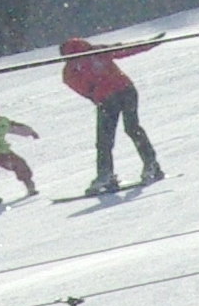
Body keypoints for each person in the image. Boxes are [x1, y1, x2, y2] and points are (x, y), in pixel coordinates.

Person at [60, 36, 165, 193]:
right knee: (132, 128)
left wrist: (94, 95)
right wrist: (149, 44)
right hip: (126, 90)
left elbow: (80, 88)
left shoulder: (71, 69)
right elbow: (125, 49)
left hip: (107, 99)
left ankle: (106, 174)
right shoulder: (98, 51)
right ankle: (151, 164)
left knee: (105, 140)